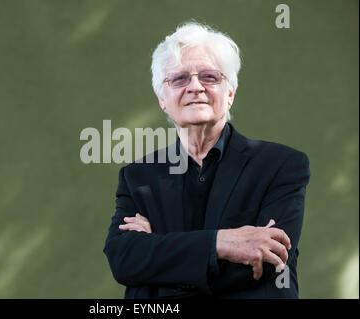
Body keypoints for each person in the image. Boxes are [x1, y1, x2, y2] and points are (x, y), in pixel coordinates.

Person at [103, 22, 310, 299]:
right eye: (179, 79)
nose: (195, 87)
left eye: (210, 77)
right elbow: (124, 260)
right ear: (162, 98)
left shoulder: (282, 166)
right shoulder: (138, 177)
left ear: (230, 93)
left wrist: (157, 254)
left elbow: (267, 261)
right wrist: (222, 243)